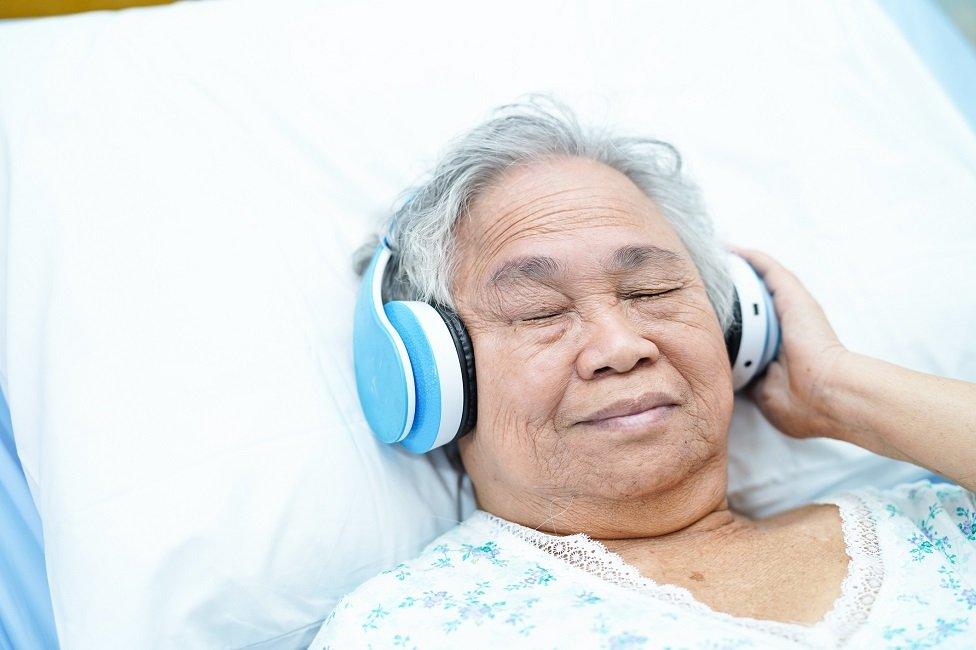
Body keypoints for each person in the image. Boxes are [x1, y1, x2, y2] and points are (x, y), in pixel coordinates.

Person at [311, 96, 976, 649]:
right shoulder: (414, 626)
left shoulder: (939, 521)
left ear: (736, 328)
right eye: (540, 311)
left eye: (652, 292)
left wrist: (839, 390)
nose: (620, 346)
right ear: (432, 376)